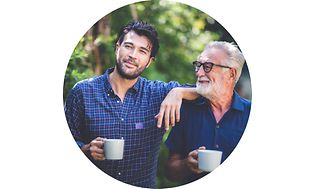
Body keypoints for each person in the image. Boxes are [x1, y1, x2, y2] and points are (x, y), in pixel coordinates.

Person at [64, 20, 198, 188]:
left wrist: (179, 92)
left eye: (142, 51)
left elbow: (207, 91)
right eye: (128, 46)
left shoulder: (158, 93)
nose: (133, 55)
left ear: (149, 61)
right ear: (117, 47)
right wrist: (87, 150)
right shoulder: (83, 92)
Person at [165, 41, 251, 184]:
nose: (198, 73)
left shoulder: (249, 114)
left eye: (207, 66)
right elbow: (169, 172)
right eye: (198, 65)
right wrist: (187, 164)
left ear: (231, 73)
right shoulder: (187, 110)